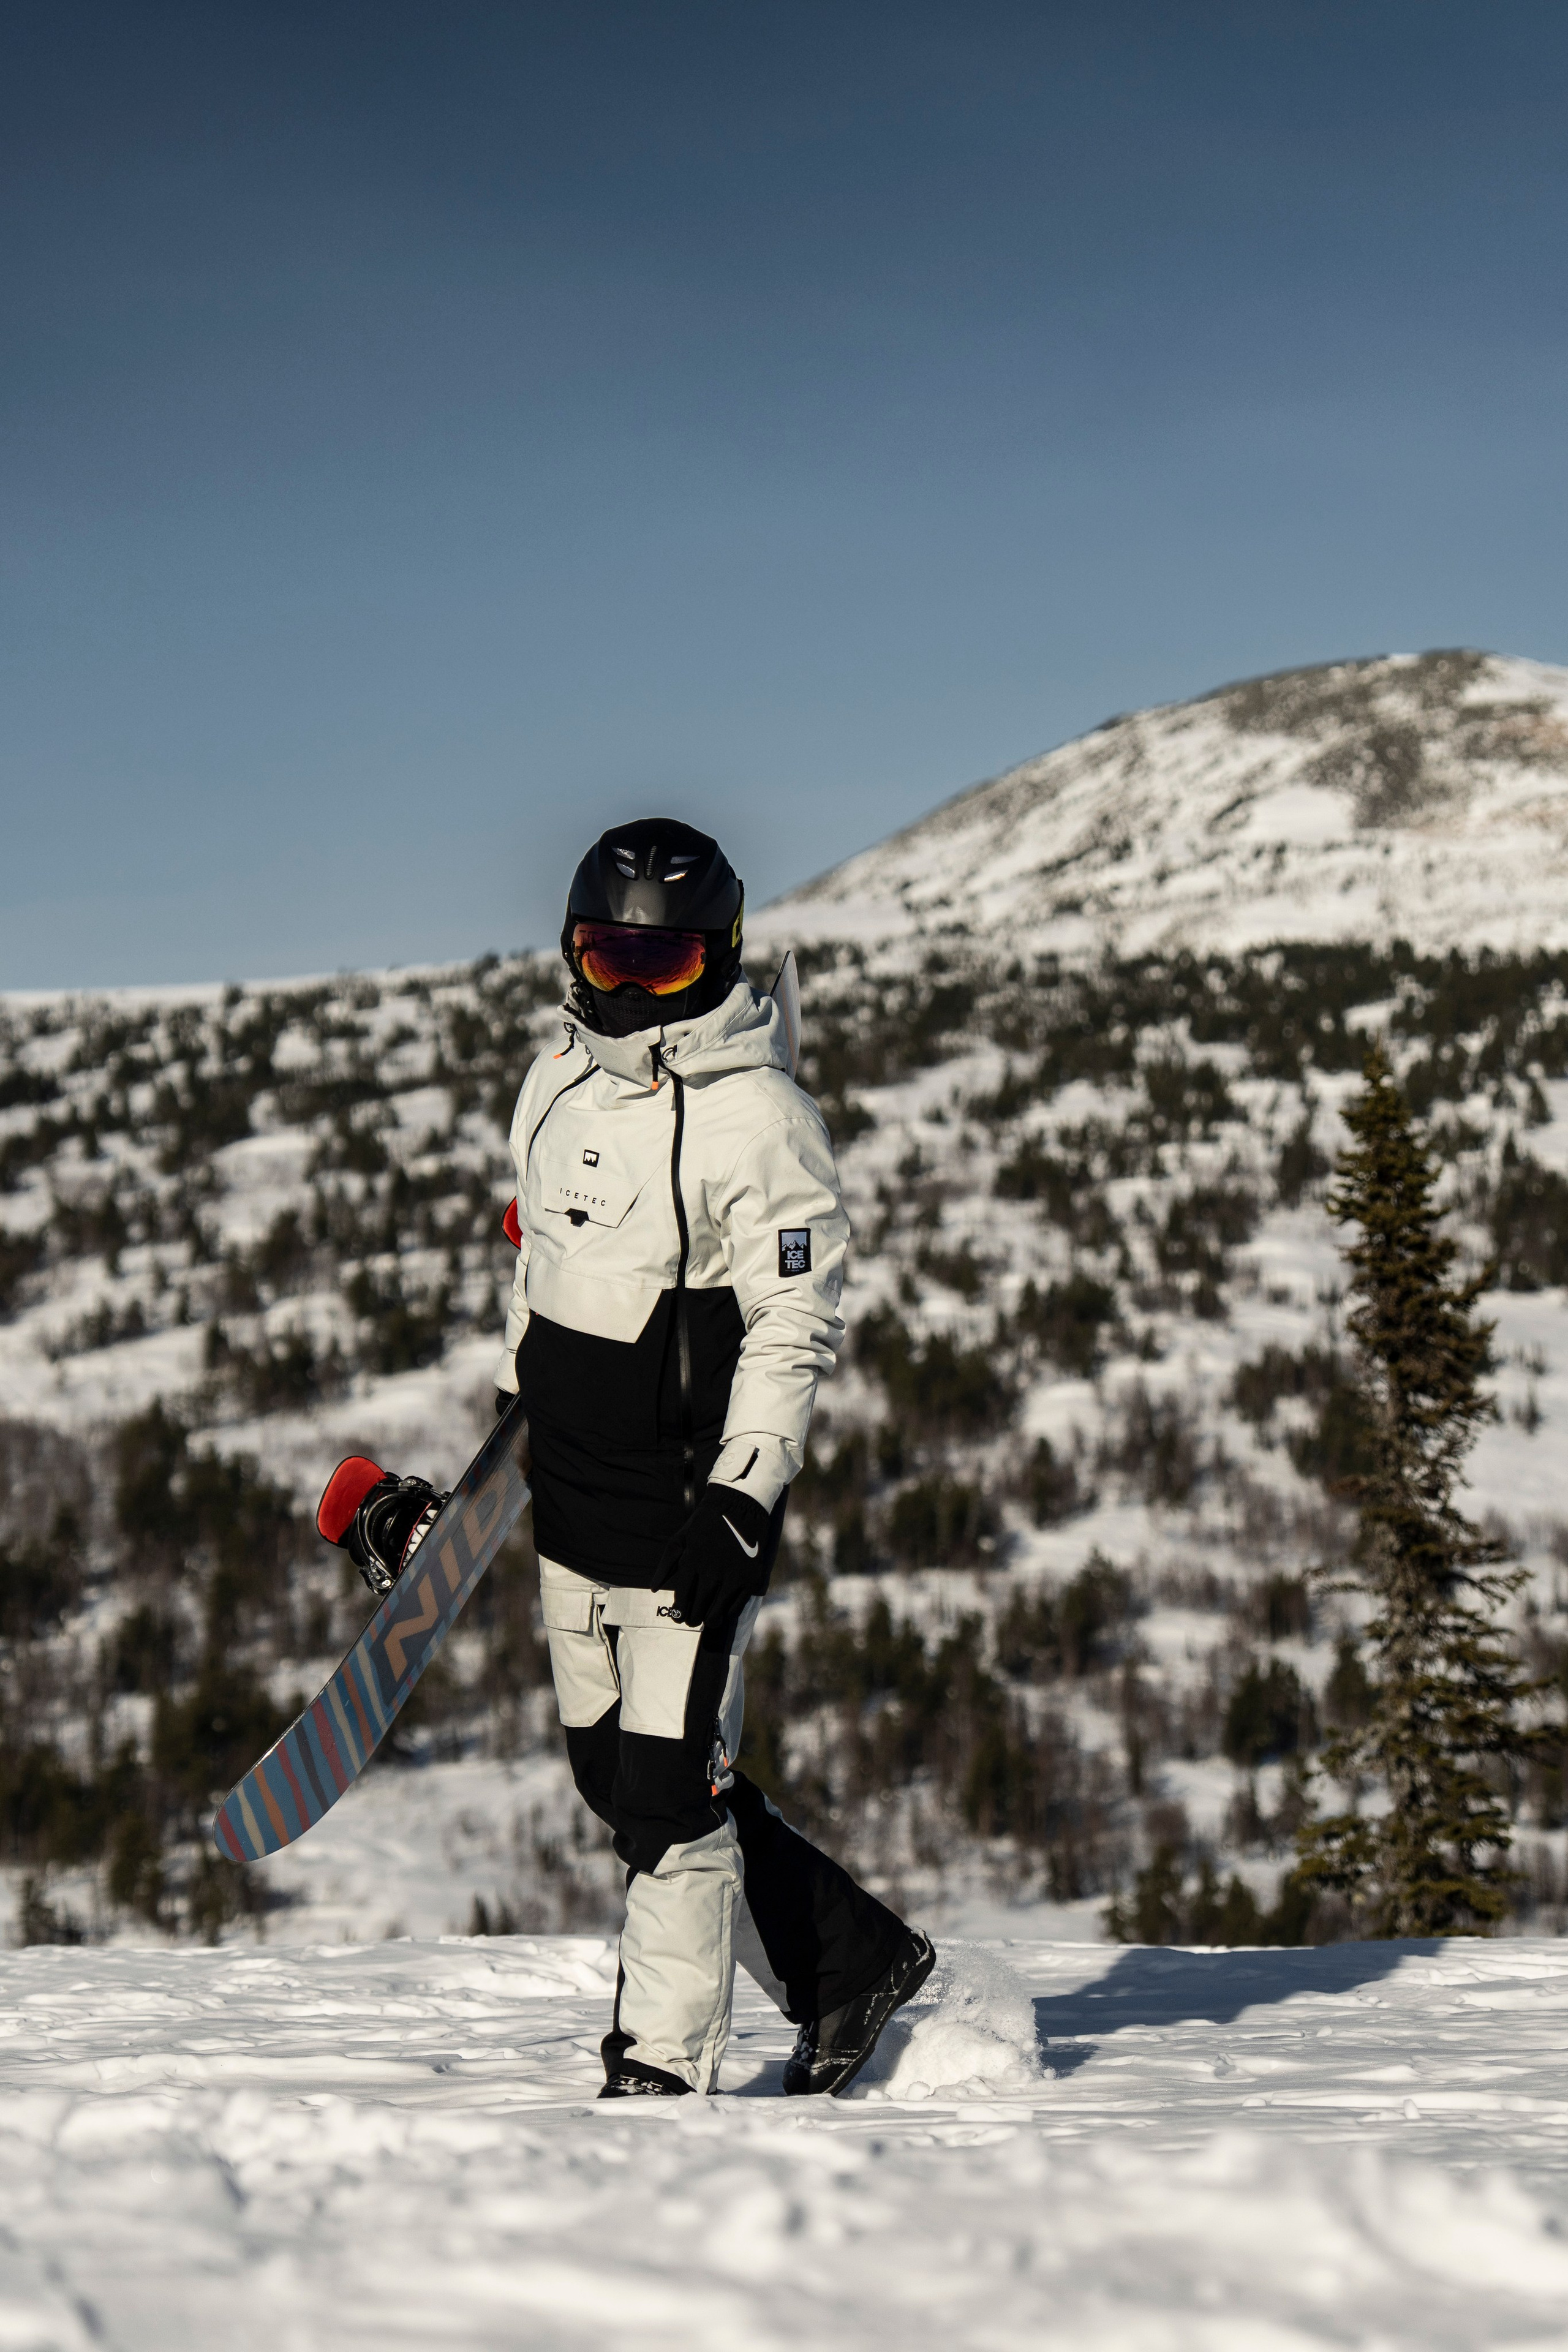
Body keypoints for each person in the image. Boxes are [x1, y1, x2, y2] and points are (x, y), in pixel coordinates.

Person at [490, 816, 933, 2096]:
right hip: (571, 1494)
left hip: (693, 1506)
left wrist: (744, 1494)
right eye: (606, 958)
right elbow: (541, 1268)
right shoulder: (551, 1084)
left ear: (721, 960)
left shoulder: (759, 1118)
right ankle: (848, 1961)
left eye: (664, 964)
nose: (630, 990)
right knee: (615, 1777)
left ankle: (658, 2078)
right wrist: (514, 1404)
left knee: (670, 1807)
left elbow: (793, 1320)